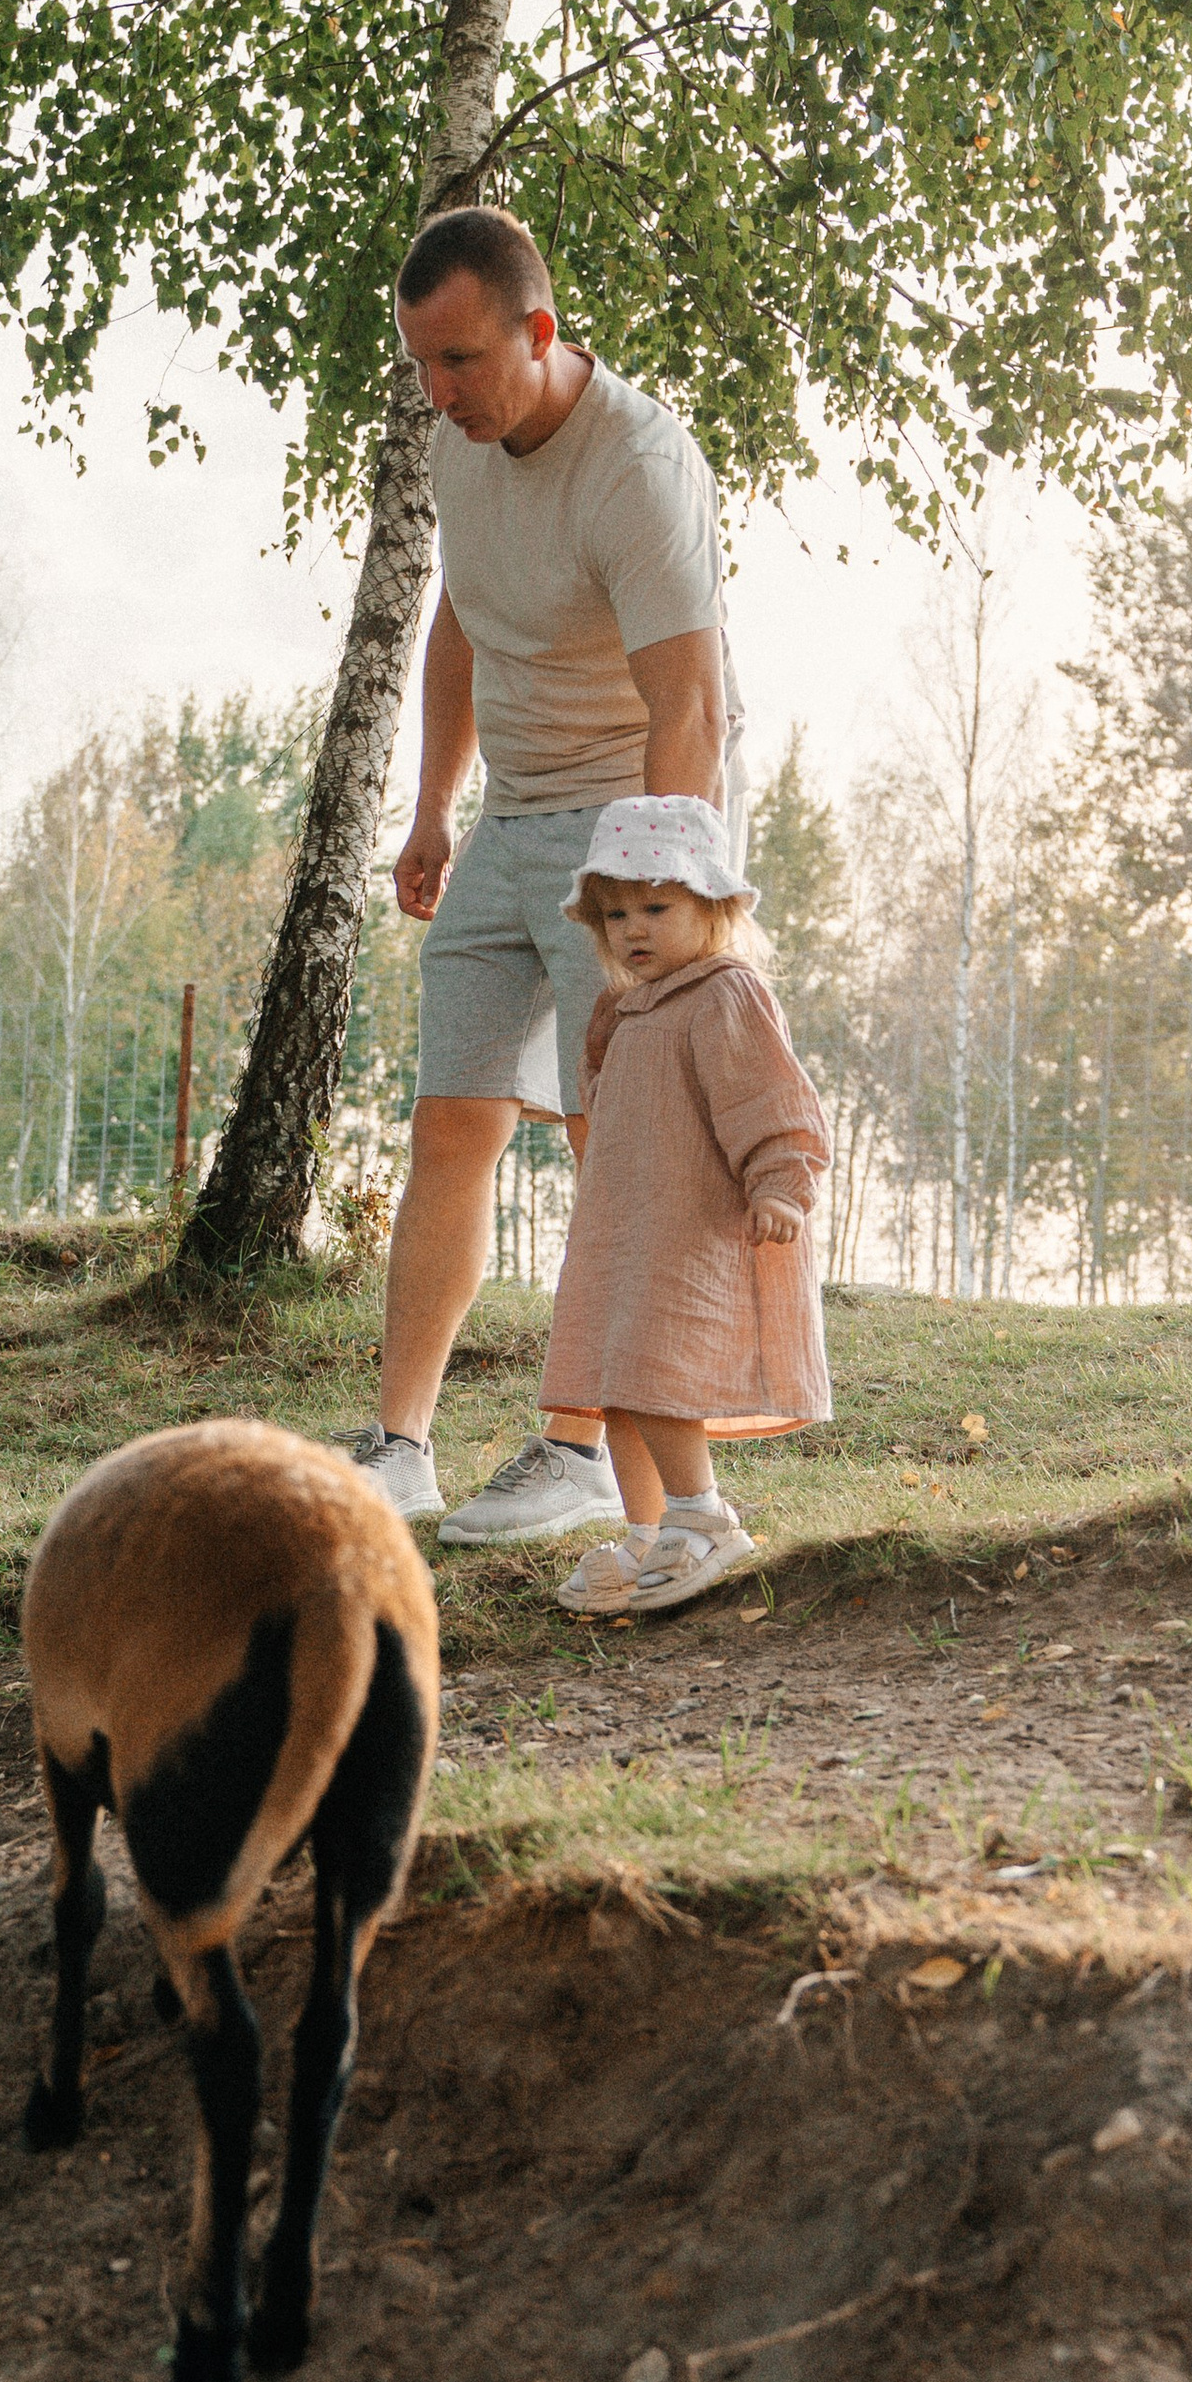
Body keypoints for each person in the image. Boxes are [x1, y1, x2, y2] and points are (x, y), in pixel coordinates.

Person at [342, 204, 746, 1540]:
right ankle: (402, 1447)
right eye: (419, 365)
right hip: (508, 819)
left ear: (540, 331)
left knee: (606, 1144)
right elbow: (461, 616)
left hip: (621, 826)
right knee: (451, 1120)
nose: (436, 393)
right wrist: (431, 809)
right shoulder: (462, 451)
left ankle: (576, 1454)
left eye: (459, 361)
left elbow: (690, 704)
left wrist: (657, 919)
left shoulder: (635, 462)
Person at [540, 794, 832, 1616]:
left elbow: (770, 1103)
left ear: (715, 907)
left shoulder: (725, 995)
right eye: (617, 913)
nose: (634, 928)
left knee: (659, 1373)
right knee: (616, 1378)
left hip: (690, 1229)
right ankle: (650, 1530)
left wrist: (781, 1183)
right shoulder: (623, 1009)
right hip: (626, 1231)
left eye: (657, 906)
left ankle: (705, 1517)